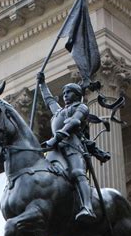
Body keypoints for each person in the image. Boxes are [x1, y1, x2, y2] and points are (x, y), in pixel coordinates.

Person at [37, 73, 95, 223]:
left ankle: (87, 206)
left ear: (76, 94)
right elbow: (49, 100)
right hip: (55, 150)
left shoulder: (81, 107)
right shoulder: (59, 112)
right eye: (63, 93)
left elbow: (74, 122)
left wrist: (56, 138)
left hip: (72, 147)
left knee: (77, 172)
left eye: (68, 92)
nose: (65, 96)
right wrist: (42, 84)